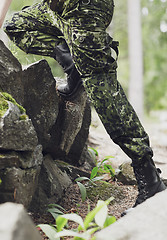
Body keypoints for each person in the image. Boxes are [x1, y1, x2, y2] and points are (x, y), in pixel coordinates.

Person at [1, 0, 166, 214]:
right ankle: (74, 65)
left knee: (102, 89)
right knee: (17, 24)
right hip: (56, 10)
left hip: (84, 7)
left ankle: (149, 177)